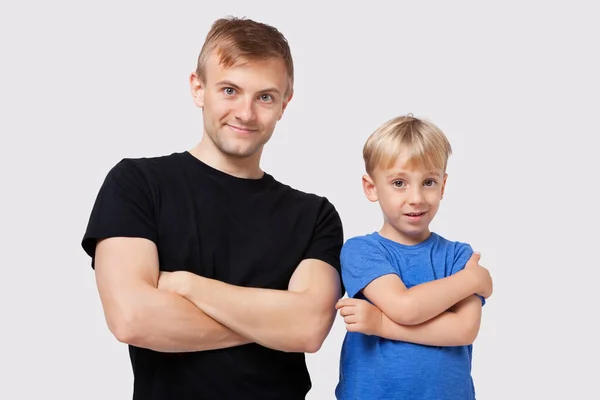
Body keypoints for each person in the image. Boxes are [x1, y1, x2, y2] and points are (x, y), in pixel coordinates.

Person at [81, 16, 344, 400]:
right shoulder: (137, 184)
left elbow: (308, 329)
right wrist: (273, 324)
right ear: (198, 87)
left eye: (265, 97)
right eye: (230, 90)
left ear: (285, 104)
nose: (246, 113)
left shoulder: (314, 215)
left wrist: (189, 287)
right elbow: (132, 318)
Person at [334, 115, 493, 399]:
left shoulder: (458, 255)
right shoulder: (361, 251)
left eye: (428, 182)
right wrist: (471, 280)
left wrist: (381, 324)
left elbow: (464, 330)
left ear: (443, 186)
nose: (416, 197)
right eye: (399, 183)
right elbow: (404, 306)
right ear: (371, 188)